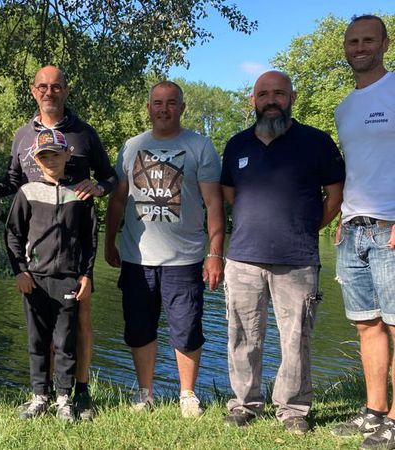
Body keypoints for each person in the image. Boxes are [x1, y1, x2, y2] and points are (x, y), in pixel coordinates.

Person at [220, 70, 345, 434]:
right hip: (243, 257)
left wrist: (305, 228)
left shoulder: (316, 142)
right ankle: (244, 403)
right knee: (242, 336)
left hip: (298, 259)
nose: (271, 100)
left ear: (291, 98)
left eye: (279, 93)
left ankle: (293, 409)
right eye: (263, 94)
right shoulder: (237, 145)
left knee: (296, 339)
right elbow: (230, 196)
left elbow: (334, 196)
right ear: (253, 100)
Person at [0, 65, 116, 420]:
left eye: (57, 86)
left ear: (66, 90)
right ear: (34, 91)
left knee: (76, 326)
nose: (50, 92)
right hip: (36, 258)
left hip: (72, 252)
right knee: (38, 334)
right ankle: (41, 394)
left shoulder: (83, 133)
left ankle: (78, 392)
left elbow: (109, 176)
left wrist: (100, 188)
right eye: (43, 87)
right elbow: (10, 183)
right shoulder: (22, 135)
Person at [104, 80, 224, 418]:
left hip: (184, 258)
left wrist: (215, 253)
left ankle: (187, 395)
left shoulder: (200, 146)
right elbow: (117, 199)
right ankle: (146, 394)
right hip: (136, 257)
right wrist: (109, 240)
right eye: (158, 102)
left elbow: (214, 204)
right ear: (149, 107)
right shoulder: (131, 147)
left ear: (182, 108)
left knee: (186, 329)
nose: (164, 109)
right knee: (139, 327)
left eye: (171, 103)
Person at [330, 15, 395, 450]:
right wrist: (341, 215)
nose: (359, 47)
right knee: (367, 324)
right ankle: (374, 412)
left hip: (391, 227)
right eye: (353, 41)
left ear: (385, 43)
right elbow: (359, 168)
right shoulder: (344, 107)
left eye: (368, 39)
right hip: (354, 230)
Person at [6, 129, 97, 423]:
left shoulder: (81, 194)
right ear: (36, 159)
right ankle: (39, 396)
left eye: (56, 154)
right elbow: (13, 235)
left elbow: (90, 240)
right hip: (34, 279)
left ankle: (63, 399)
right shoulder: (27, 192)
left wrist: (86, 275)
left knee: (65, 341)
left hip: (68, 279)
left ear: (67, 155)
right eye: (44, 156)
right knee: (36, 340)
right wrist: (20, 270)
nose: (50, 160)